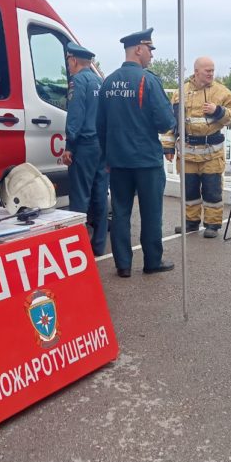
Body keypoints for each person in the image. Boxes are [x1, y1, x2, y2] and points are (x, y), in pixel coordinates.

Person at [97, 28, 176, 277]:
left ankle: (123, 265)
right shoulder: (148, 81)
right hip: (146, 161)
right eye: (150, 50)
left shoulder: (108, 82)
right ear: (139, 49)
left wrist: (108, 156)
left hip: (118, 161)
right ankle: (152, 261)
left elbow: (100, 125)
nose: (151, 56)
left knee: (120, 212)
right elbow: (165, 122)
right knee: (151, 212)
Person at [162, 57, 231, 238]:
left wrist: (218, 111)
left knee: (212, 190)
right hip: (188, 153)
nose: (211, 74)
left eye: (213, 70)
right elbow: (171, 121)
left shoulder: (221, 92)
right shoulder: (180, 92)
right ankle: (191, 222)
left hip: (211, 154)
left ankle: (212, 225)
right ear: (196, 72)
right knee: (189, 190)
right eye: (207, 71)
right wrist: (168, 147)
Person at [63, 42, 108, 256]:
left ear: (73, 60)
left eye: (69, 61)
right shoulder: (99, 81)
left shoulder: (78, 82)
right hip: (101, 145)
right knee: (100, 194)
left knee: (80, 196)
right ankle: (98, 245)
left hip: (84, 145)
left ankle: (77, 247)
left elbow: (75, 115)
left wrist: (69, 145)